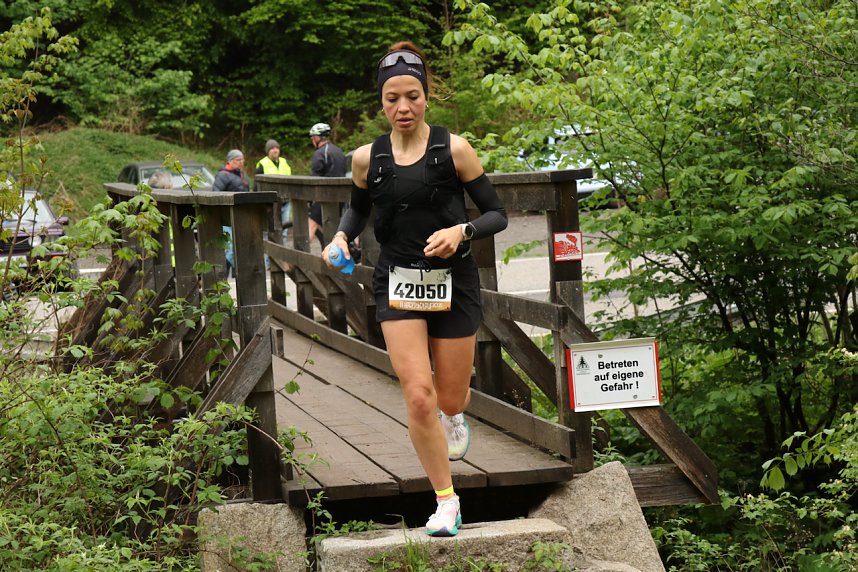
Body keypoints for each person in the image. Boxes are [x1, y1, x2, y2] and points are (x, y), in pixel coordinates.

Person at [322, 42, 507, 537]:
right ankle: (447, 501)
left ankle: (455, 416)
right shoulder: (367, 158)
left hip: (455, 281)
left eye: (412, 96)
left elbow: (497, 214)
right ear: (380, 103)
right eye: (391, 99)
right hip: (397, 282)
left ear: (427, 97)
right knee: (418, 395)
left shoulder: (455, 149)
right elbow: (358, 210)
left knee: (449, 396)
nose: (402, 108)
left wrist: (461, 232)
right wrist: (341, 236)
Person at [307, 122, 346, 244]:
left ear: (318, 138)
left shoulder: (319, 153)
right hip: (340, 198)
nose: (312, 140)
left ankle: (297, 259)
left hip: (325, 196)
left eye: (313, 137)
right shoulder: (339, 151)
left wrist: (309, 198)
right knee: (332, 229)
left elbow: (315, 178)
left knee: (311, 224)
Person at [213, 149, 250, 277]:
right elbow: (216, 194)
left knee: (239, 247)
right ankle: (223, 275)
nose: (241, 162)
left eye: (242, 160)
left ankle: (236, 274)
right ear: (230, 161)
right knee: (230, 250)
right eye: (238, 160)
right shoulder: (223, 175)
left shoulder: (242, 175)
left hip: (242, 216)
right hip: (227, 218)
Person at [254, 139, 293, 241]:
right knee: (271, 231)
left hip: (285, 201)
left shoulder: (284, 162)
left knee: (284, 230)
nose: (275, 150)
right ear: (268, 151)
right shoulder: (262, 164)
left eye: (277, 148)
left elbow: (291, 180)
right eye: (272, 148)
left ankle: (282, 256)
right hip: (271, 204)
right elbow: (256, 186)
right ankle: (270, 257)